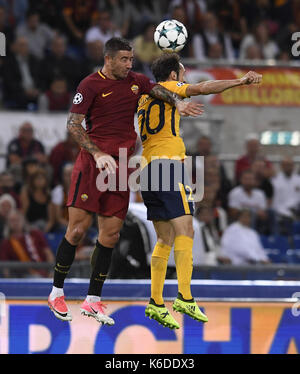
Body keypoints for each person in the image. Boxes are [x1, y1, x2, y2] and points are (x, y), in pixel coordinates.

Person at [47, 37, 204, 325]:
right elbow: (73, 123)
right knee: (77, 230)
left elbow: (158, 90)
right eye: (124, 60)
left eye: (131, 59)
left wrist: (178, 105)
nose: (129, 64)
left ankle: (93, 300)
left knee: (111, 235)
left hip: (120, 167)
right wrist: (96, 153)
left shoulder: (136, 81)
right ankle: (57, 291)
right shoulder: (89, 85)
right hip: (92, 164)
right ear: (109, 59)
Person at [137, 52, 262, 329]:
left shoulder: (145, 98)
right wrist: (240, 81)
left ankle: (156, 302)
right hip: (168, 167)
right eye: (182, 73)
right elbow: (203, 88)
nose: (184, 78)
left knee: (164, 239)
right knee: (187, 230)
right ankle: (184, 295)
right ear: (172, 76)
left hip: (147, 170)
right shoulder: (170, 88)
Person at [0, 210, 54, 277]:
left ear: (23, 221)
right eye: (12, 220)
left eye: (18, 219)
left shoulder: (35, 234)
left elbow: (48, 253)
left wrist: (51, 271)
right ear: (8, 223)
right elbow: (6, 267)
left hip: (44, 271)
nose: (16, 223)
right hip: (23, 276)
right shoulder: (6, 243)